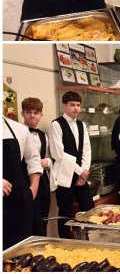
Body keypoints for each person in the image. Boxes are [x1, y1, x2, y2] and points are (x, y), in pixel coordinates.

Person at [49, 91, 93, 239]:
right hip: (64, 175)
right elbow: (58, 154)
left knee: (88, 208)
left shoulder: (81, 125)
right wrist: (80, 171)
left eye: (78, 105)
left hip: (81, 175)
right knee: (65, 212)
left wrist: (84, 172)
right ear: (64, 105)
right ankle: (64, 242)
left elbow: (86, 149)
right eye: (72, 105)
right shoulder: (56, 124)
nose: (76, 108)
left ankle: (91, 239)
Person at [3, 103, 43, 248]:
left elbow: (33, 159)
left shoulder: (19, 129)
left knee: (21, 249)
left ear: (3, 104)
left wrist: (33, 189)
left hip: (19, 201)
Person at [21, 97, 51, 236]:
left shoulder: (44, 136)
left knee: (43, 217)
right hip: (25, 179)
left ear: (41, 114)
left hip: (43, 181)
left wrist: (47, 161)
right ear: (22, 113)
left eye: (36, 112)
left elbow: (50, 157)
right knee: (30, 220)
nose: (32, 116)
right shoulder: (18, 133)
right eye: (28, 112)